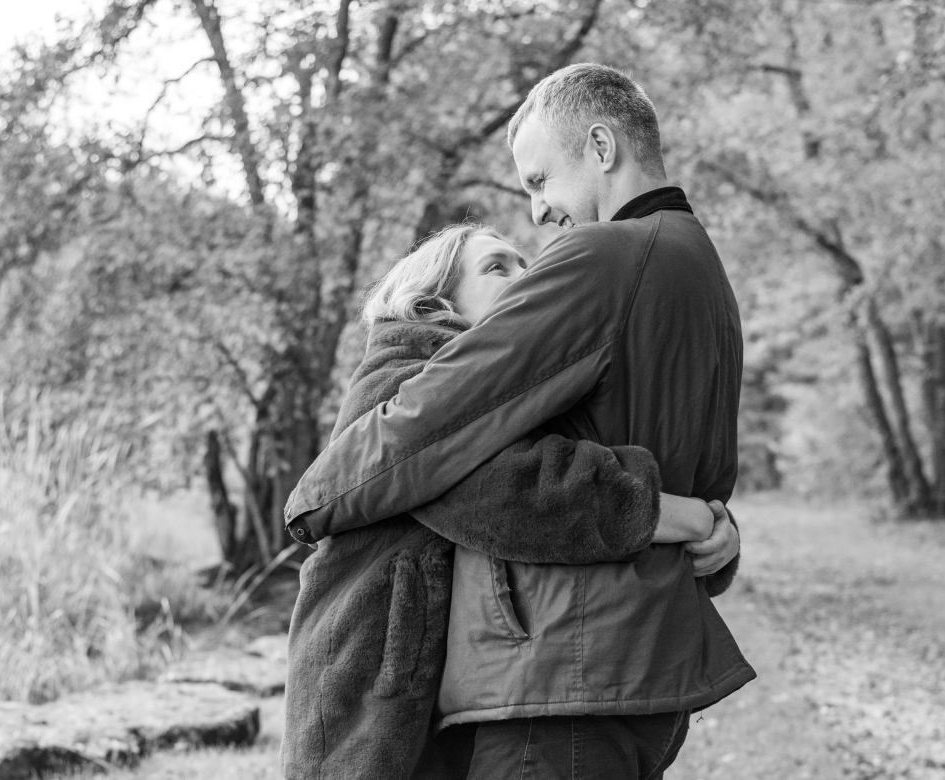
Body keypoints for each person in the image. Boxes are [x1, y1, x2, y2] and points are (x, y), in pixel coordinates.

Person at [285, 62, 754, 779]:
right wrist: (699, 520)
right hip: (634, 669)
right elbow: (690, 469)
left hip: (565, 672)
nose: (537, 214)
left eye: (539, 180)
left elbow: (432, 431)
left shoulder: (604, 255)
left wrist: (319, 490)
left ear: (601, 148)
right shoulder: (700, 273)